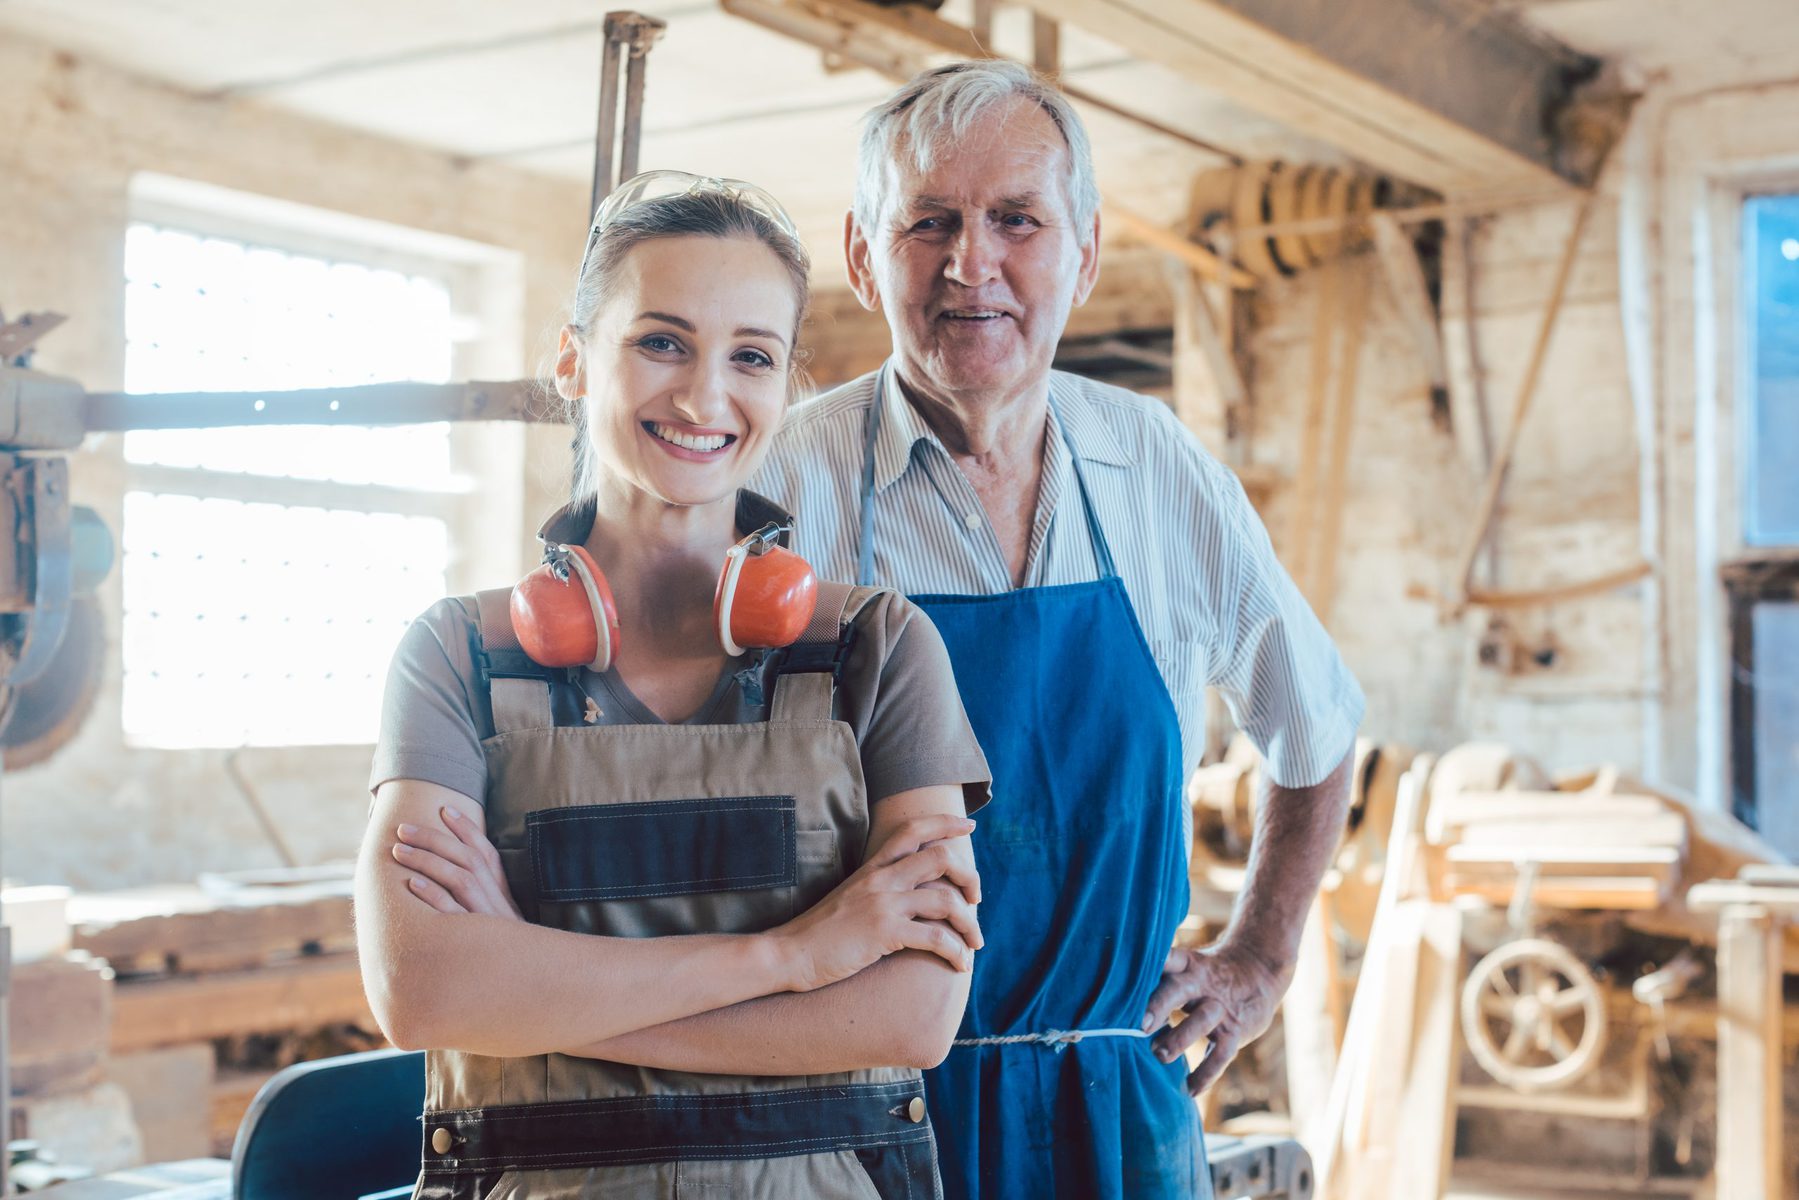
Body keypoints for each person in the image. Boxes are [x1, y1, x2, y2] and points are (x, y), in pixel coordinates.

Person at [748, 62, 1366, 1199]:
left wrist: (1260, 959)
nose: (967, 262)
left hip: (1114, 1121)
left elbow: (1315, 728)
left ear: (1082, 252)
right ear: (859, 255)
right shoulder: (778, 487)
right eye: (926, 221)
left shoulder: (1160, 471)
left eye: (1014, 221)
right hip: (854, 1119)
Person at [355, 172, 992, 1200]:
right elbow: (421, 991)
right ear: (571, 359)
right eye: (660, 342)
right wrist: (796, 957)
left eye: (750, 356)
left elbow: (910, 1017)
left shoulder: (878, 649)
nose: (703, 397)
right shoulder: (455, 657)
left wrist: (527, 980)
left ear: (787, 383)